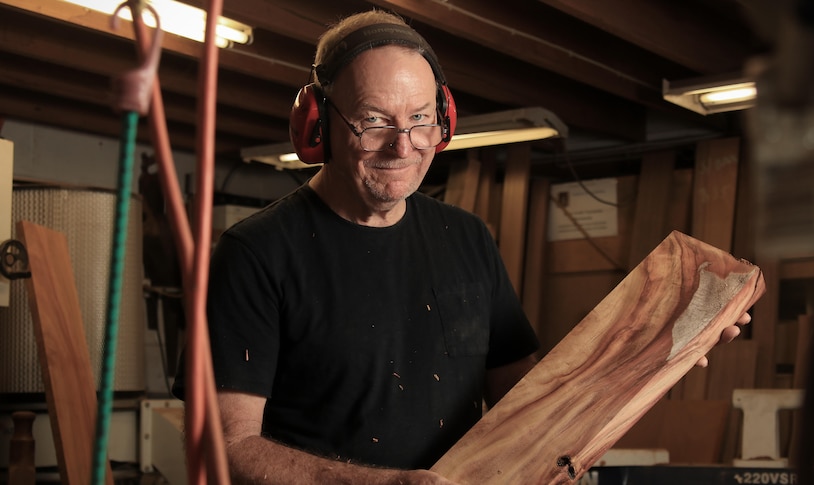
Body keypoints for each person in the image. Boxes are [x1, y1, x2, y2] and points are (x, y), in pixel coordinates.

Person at [173, 10, 750, 484]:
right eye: (374, 121)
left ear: (444, 120)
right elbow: (225, 446)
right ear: (317, 124)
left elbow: (527, 400)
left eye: (421, 119)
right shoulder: (255, 255)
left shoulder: (466, 237)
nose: (404, 146)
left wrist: (654, 352)